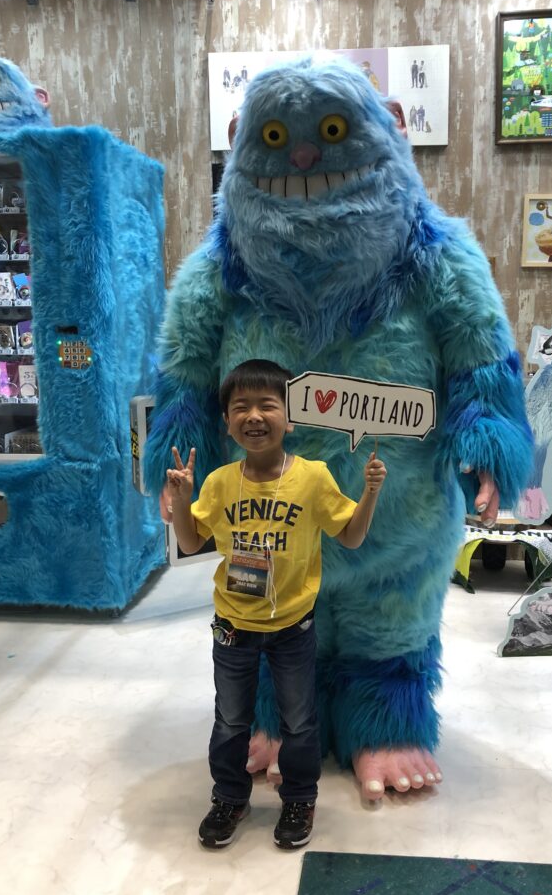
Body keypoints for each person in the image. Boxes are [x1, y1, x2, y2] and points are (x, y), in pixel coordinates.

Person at [165, 359, 387, 850]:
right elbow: (188, 540)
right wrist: (181, 498)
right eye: (240, 407)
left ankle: (300, 798)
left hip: (292, 625)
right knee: (230, 719)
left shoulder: (312, 477)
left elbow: (350, 537)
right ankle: (229, 796)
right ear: (227, 421)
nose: (254, 416)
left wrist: (370, 493)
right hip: (233, 624)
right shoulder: (221, 482)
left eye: (268, 404)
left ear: (290, 416)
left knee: (299, 720)